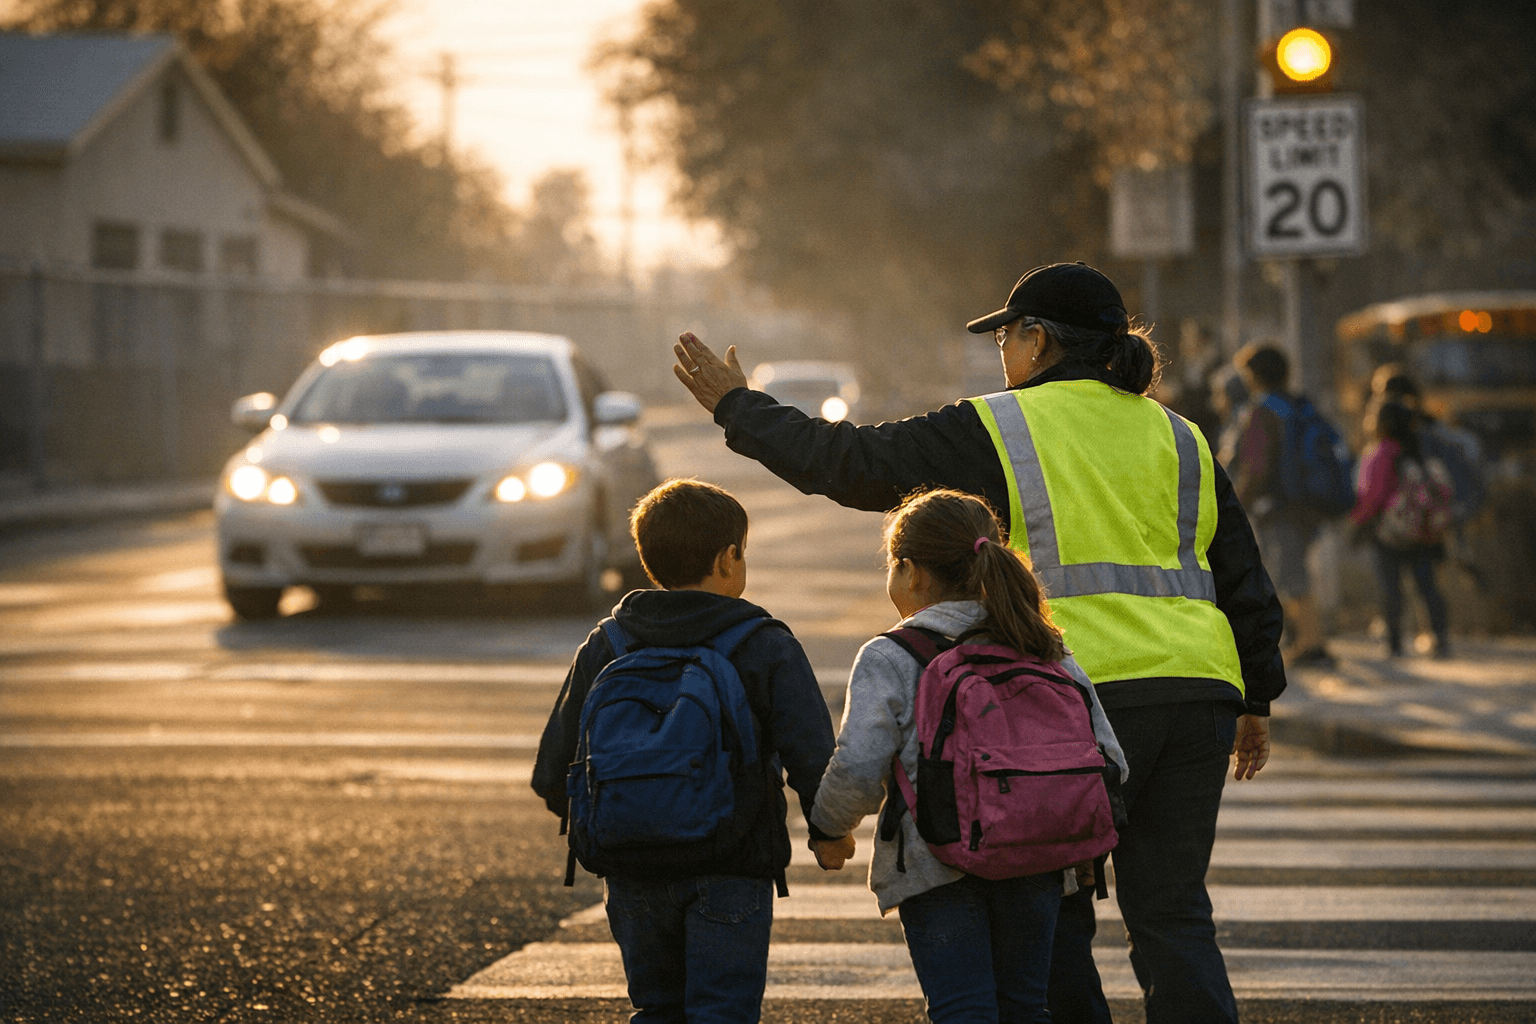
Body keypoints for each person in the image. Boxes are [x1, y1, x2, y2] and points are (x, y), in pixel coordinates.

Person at [670, 261, 1284, 1024]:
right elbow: (1242, 575)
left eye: (1006, 335)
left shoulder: (997, 427)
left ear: (1038, 339)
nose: (1002, 352)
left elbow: (854, 464)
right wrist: (1253, 694)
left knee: (1053, 916)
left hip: (1061, 698)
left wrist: (739, 407)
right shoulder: (1182, 436)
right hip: (1196, 697)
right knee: (1175, 914)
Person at [530, 478, 848, 1024]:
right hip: (731, 862)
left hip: (630, 868)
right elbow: (814, 755)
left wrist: (621, 817)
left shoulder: (609, 641)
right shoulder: (762, 641)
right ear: (729, 559)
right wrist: (829, 833)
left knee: (657, 1008)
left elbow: (554, 767)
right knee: (722, 1011)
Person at [809, 488, 1127, 1024]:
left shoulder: (891, 655)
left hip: (937, 862)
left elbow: (858, 764)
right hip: (1037, 860)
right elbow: (1109, 759)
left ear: (909, 572)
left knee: (962, 1008)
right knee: (1025, 1005)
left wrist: (828, 828)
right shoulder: (1043, 646)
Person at [1222, 343, 1337, 666]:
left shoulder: (1262, 411)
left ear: (1254, 375)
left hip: (1279, 506)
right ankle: (1305, 641)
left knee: (1291, 574)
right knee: (1290, 570)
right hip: (1304, 503)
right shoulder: (1296, 405)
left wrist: (1236, 502)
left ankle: (1313, 644)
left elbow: (1256, 467)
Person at [1348, 401, 1452, 658]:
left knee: (1391, 588)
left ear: (1380, 425)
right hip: (1421, 533)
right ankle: (1441, 638)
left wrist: (1357, 520)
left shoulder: (1380, 453)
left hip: (1388, 533)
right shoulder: (1418, 451)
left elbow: (1374, 495)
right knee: (1427, 587)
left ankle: (1394, 641)